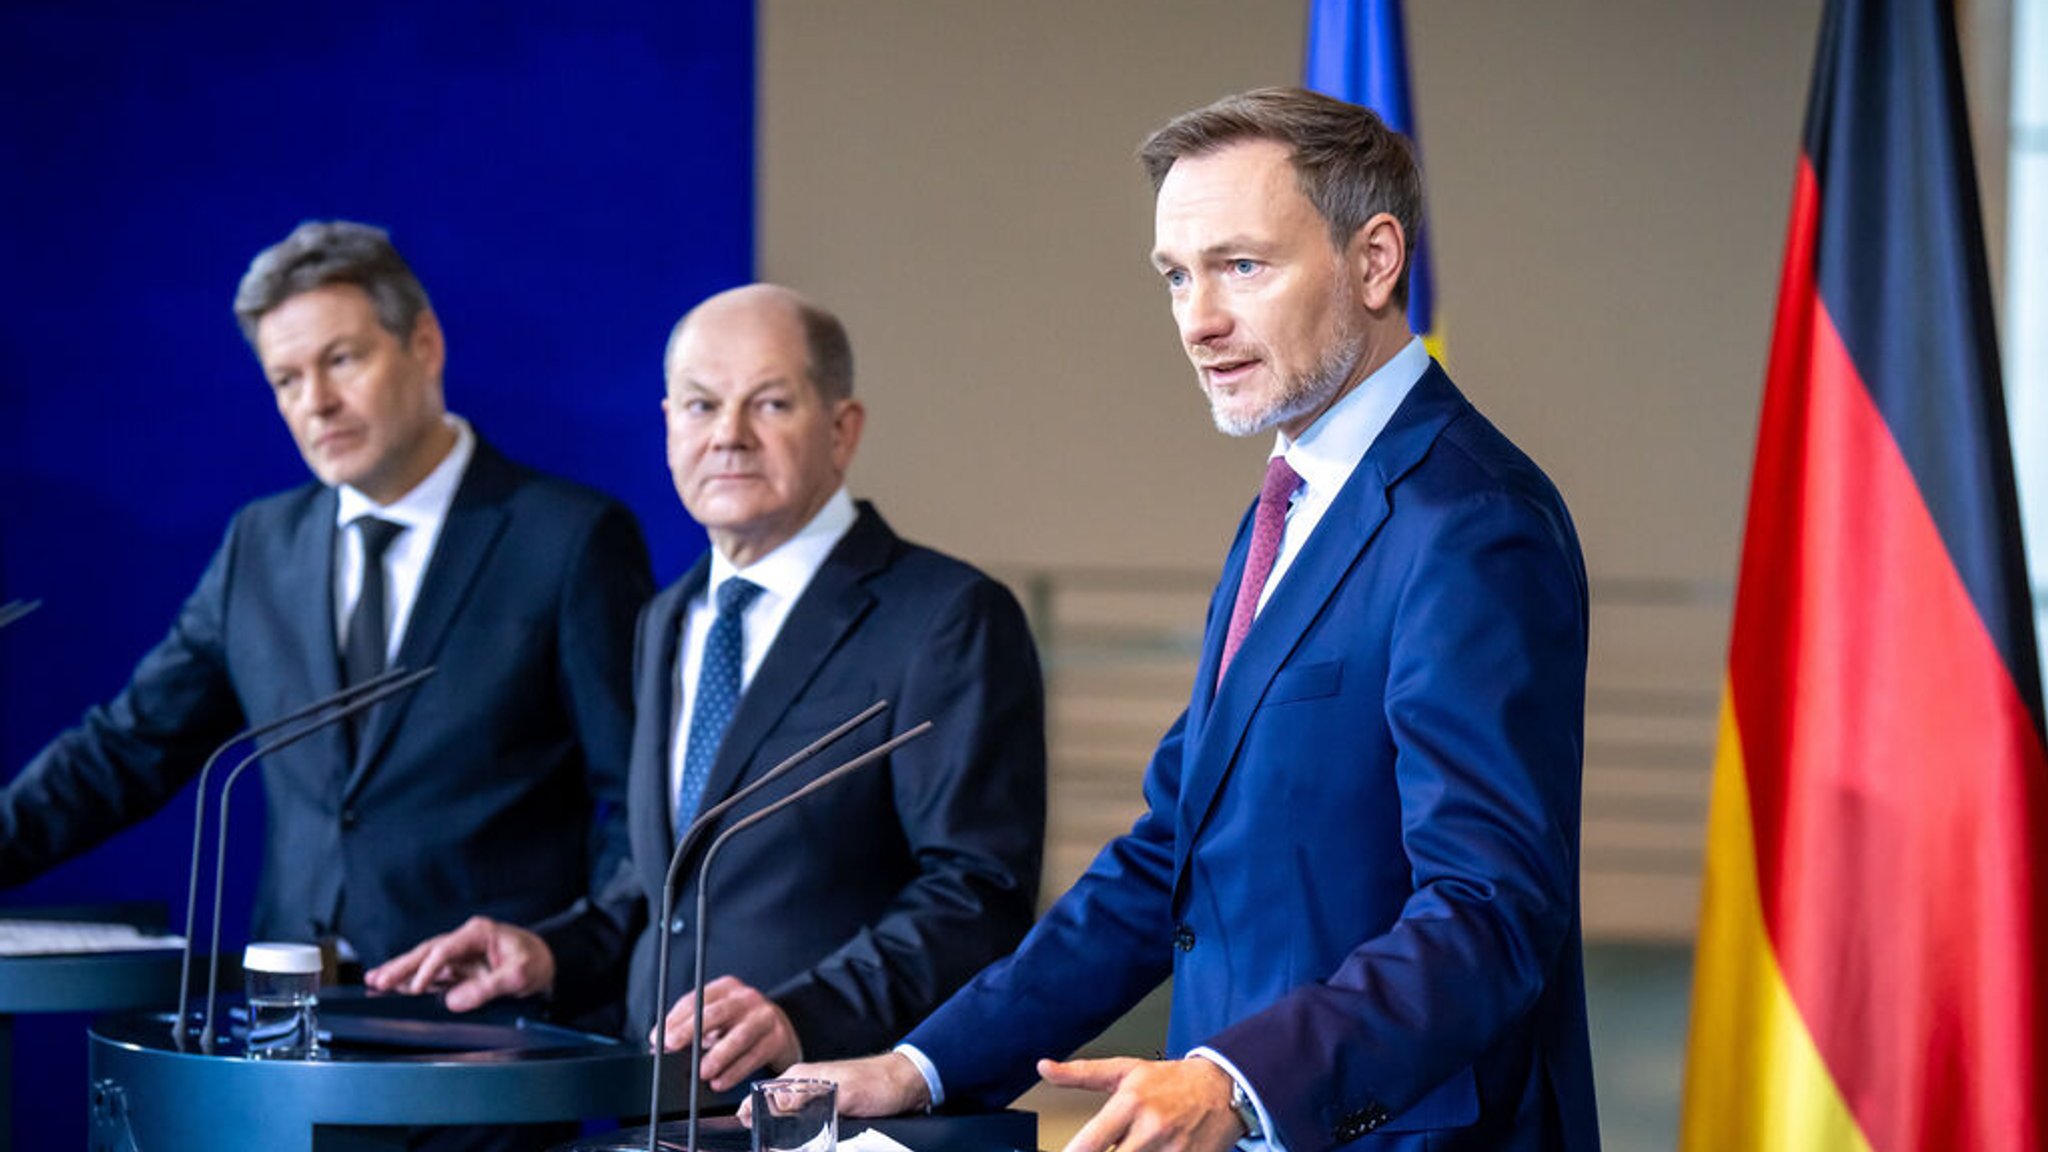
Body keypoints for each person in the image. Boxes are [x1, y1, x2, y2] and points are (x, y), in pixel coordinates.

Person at [779, 88, 1600, 1152]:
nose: (1196, 319)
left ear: (1375, 259)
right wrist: (921, 1065)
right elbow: (1168, 859)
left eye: (1241, 266)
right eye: (1175, 275)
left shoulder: (1472, 521)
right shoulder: (1288, 503)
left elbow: (1488, 912)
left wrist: (1235, 1078)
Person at [369, 283, 1047, 1094]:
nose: (728, 435)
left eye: (769, 404)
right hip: (662, 1110)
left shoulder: (945, 617)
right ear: (667, 427)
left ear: (842, 429)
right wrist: (553, 952)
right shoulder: (668, 617)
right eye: (699, 406)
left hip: (836, 1110)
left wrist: (804, 1014)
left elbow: (977, 894)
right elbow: (669, 882)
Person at [0, 220, 652, 973]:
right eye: (286, 379)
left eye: (342, 361)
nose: (317, 402)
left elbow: (640, 803)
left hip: (487, 1025)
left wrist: (565, 951)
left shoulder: (567, 539)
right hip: (290, 1024)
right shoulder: (263, 544)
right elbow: (129, 747)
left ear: (425, 344)